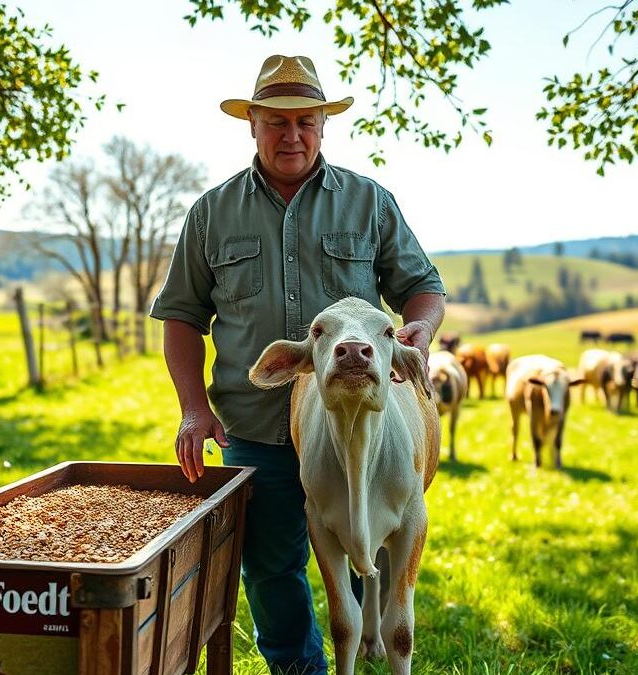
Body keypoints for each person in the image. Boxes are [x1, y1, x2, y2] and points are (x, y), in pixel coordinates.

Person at [149, 54, 446, 675]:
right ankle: (299, 668)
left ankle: (374, 642)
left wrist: (420, 326)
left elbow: (422, 287)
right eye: (276, 123)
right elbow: (181, 317)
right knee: (270, 565)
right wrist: (192, 410)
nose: (292, 136)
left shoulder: (369, 203)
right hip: (256, 426)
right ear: (252, 124)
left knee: (376, 550)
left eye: (305, 122)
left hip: (364, 423)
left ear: (321, 126)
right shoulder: (212, 213)